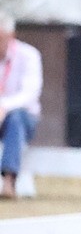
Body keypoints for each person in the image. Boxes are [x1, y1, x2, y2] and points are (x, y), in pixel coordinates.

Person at [0, 11, 43, 200]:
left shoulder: (28, 55)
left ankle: (9, 181)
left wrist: (4, 107)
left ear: (10, 36)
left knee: (15, 119)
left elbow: (29, 94)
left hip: (23, 118)